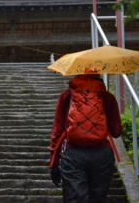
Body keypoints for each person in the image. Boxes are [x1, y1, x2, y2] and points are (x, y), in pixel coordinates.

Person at [49, 74, 123, 203]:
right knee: (97, 199)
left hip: (73, 154)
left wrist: (54, 162)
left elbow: (57, 131)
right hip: (102, 154)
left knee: (74, 199)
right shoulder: (107, 97)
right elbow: (116, 132)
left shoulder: (66, 96)